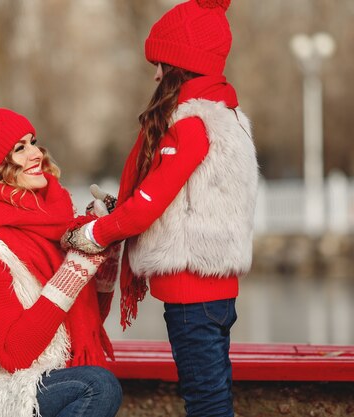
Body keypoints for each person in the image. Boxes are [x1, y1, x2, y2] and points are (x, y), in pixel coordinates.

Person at [62, 1, 258, 416]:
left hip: (191, 292)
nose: (155, 74)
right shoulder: (226, 117)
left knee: (206, 403)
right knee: (214, 395)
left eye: (161, 63)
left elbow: (146, 209)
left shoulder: (189, 126)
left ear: (181, 65)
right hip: (215, 290)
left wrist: (93, 234)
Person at [0, 96, 122, 417]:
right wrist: (74, 269)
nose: (36, 154)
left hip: (43, 381)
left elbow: (83, 321)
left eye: (33, 142)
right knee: (98, 386)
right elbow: (15, 354)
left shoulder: (50, 228)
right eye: (19, 149)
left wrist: (104, 250)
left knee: (100, 383)